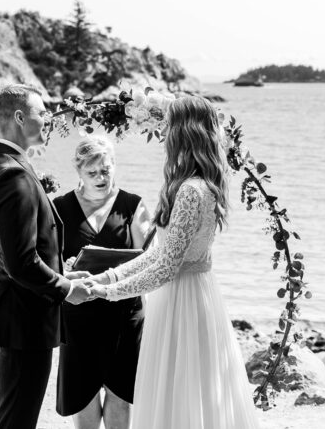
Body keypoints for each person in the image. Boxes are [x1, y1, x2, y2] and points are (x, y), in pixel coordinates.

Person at [88, 95, 260, 429]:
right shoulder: (198, 184)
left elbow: (166, 267)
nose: (165, 133)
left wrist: (108, 293)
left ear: (184, 132)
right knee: (194, 392)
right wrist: (108, 277)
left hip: (182, 300)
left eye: (170, 126)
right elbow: (155, 255)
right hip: (193, 293)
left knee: (180, 390)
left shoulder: (191, 191)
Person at [0, 84, 95, 429]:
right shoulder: (14, 176)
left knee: (15, 417)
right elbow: (21, 262)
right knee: (17, 421)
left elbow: (25, 251)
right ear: (18, 117)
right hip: (24, 318)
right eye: (41, 112)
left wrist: (62, 273)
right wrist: (66, 289)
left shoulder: (2, 164)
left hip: (19, 313)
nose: (47, 118)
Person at [52, 136, 153, 429]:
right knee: (81, 394)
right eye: (92, 172)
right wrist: (65, 268)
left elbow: (149, 259)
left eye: (106, 170)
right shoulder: (59, 207)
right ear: (79, 171)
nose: (100, 177)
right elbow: (48, 262)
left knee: (121, 394)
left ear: (114, 166)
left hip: (124, 313)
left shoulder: (133, 205)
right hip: (78, 313)